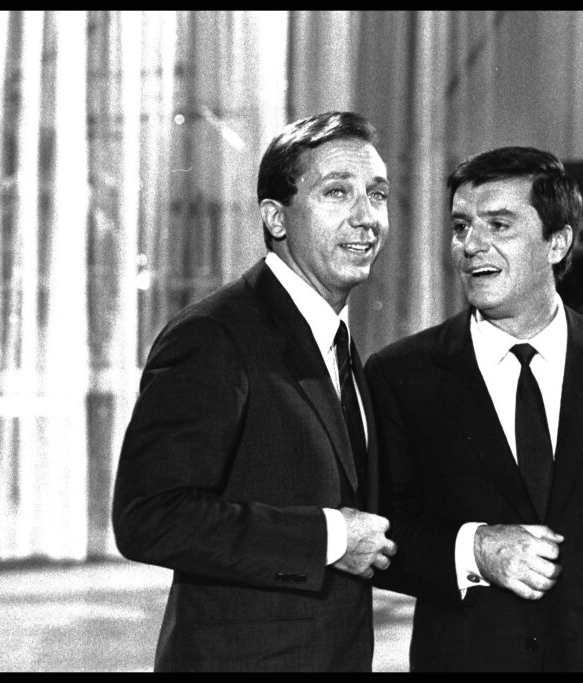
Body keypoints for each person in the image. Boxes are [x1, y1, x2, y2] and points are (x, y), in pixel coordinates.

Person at [365, 146, 583, 671]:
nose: (471, 245)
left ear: (557, 242)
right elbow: (380, 535)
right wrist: (475, 550)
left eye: (499, 225)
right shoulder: (401, 373)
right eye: (460, 227)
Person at [112, 111, 397, 672]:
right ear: (276, 217)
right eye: (337, 192)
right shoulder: (214, 334)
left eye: (378, 195)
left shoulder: (337, 343)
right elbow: (150, 516)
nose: (366, 217)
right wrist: (329, 536)